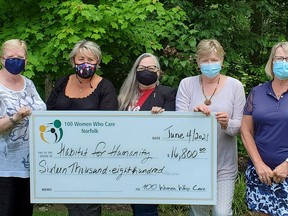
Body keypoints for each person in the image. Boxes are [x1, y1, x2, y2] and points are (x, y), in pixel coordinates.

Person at [46, 40, 118, 216]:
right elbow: (47, 113)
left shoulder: (105, 87)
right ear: (73, 61)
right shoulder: (62, 82)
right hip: (62, 154)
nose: (85, 63)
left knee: (89, 206)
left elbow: (109, 124)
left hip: (92, 157)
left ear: (98, 63)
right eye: (81, 59)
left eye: (91, 60)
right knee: (71, 203)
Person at [176, 39, 246, 216]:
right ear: (198, 62)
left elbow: (240, 127)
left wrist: (226, 123)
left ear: (222, 61)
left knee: (222, 213)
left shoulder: (235, 86)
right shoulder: (186, 84)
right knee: (198, 213)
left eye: (214, 60)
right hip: (194, 162)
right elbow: (179, 123)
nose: (210, 64)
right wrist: (195, 115)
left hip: (224, 163)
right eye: (205, 60)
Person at [118, 53, 176, 216]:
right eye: (142, 68)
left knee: (146, 208)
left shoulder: (167, 93)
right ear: (135, 71)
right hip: (127, 158)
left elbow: (172, 126)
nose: (146, 71)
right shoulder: (124, 96)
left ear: (159, 72)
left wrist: (162, 116)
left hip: (152, 161)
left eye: (151, 68)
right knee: (136, 206)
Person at [240, 42, 288, 215]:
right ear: (272, 62)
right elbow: (246, 131)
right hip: (260, 173)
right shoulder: (257, 92)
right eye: (280, 58)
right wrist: (259, 164)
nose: (284, 62)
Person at [0, 39, 46, 216]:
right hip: (4, 168)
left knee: (25, 211)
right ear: (2, 59)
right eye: (11, 56)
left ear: (26, 60)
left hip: (29, 165)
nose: (15, 60)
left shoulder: (30, 84)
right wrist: (15, 118)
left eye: (20, 57)